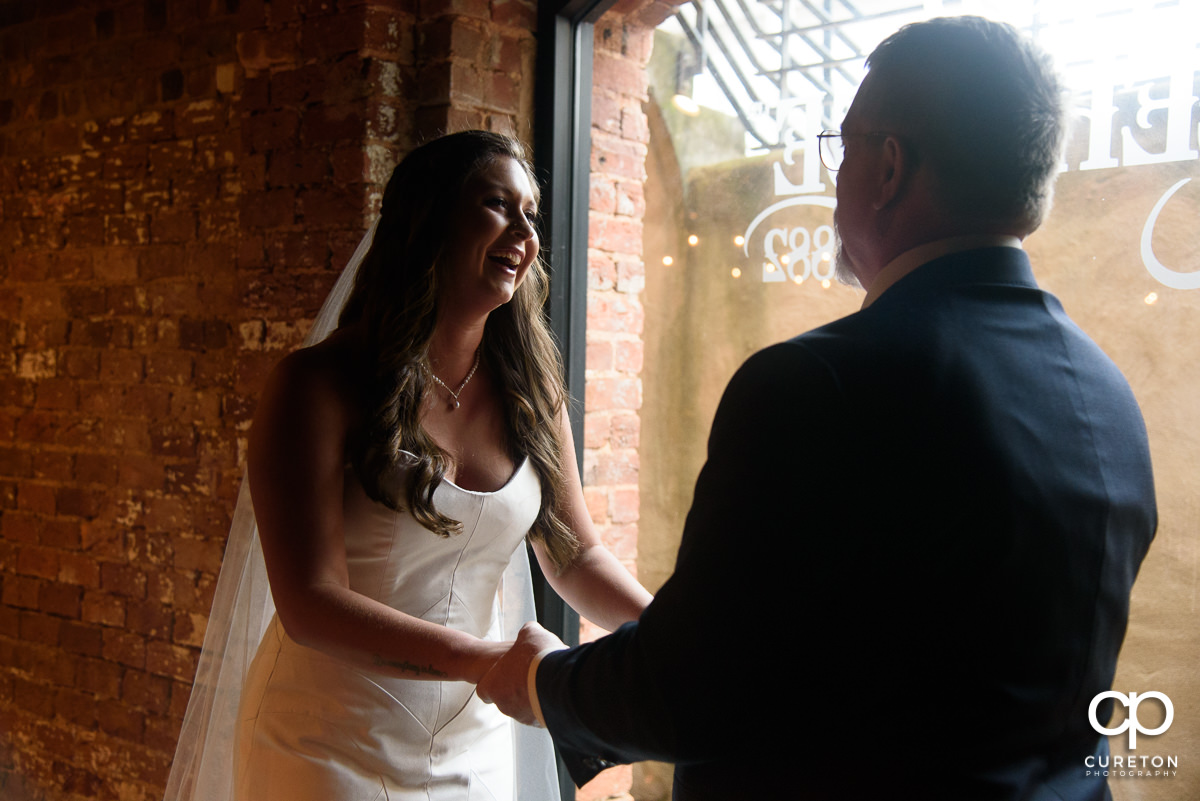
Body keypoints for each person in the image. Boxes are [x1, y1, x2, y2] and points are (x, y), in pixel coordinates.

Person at [478, 16, 1157, 801]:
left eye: (844, 146)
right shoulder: (1111, 398)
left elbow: (687, 690)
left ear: (889, 167)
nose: (836, 174)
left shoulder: (817, 384)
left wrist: (536, 678)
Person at [163, 131, 652, 801]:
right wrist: (486, 661)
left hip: (474, 733)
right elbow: (310, 601)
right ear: (431, 219)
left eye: (531, 213)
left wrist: (668, 634)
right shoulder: (319, 385)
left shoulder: (529, 397)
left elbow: (576, 555)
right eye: (496, 204)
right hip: (326, 738)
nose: (524, 230)